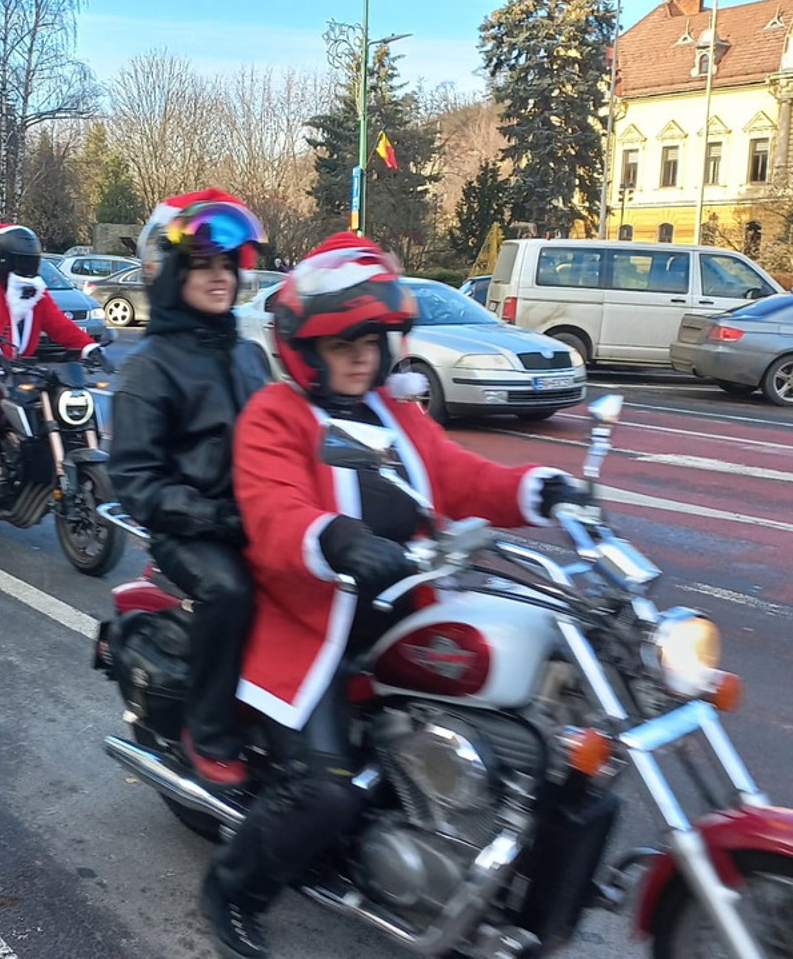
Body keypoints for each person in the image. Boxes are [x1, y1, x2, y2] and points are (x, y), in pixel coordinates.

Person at [200, 232, 590, 959]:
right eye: (343, 339)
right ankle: (233, 888)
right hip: (311, 629)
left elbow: (461, 475)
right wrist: (336, 539)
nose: (360, 353)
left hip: (403, 615)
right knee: (327, 792)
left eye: (373, 338)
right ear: (305, 348)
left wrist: (542, 490)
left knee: (541, 735)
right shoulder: (277, 416)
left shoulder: (396, 412)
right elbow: (274, 510)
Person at [108, 189, 272, 787]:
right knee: (230, 591)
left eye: (227, 265)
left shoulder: (249, 353)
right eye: (203, 265)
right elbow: (135, 480)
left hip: (260, 514)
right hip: (191, 528)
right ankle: (209, 732)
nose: (219, 276)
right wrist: (216, 517)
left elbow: (288, 429)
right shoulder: (148, 368)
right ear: (173, 273)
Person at [0, 223, 109, 500]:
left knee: (55, 406)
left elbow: (60, 325)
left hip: (18, 368)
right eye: (20, 259)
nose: (27, 265)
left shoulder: (36, 291)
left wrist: (89, 348)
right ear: (3, 260)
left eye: (30, 259)